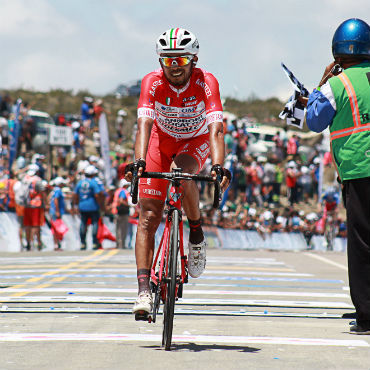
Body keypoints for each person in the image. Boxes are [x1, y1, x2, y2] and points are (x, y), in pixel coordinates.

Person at [125, 28, 230, 317]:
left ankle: (195, 232)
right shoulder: (152, 82)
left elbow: (216, 128)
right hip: (160, 139)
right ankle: (144, 290)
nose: (174, 68)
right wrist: (139, 161)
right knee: (148, 216)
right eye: (168, 61)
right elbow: (144, 124)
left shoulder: (206, 82)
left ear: (193, 60)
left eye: (180, 61)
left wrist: (219, 165)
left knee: (181, 173)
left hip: (194, 141)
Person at [302, 18, 370, 334]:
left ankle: (367, 315)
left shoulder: (336, 84)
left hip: (359, 169)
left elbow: (314, 120)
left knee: (361, 243)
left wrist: (321, 83)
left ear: (337, 53)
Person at [73, 165, 104, 250]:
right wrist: (100, 205)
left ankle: (83, 243)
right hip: (93, 206)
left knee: (83, 223)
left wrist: (75, 205)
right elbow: (97, 195)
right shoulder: (93, 182)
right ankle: (94, 242)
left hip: (82, 206)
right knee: (94, 223)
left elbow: (75, 195)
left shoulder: (80, 182)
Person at [112, 179, 131, 249]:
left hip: (116, 212)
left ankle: (118, 244)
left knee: (118, 229)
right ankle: (121, 245)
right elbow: (121, 200)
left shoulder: (117, 191)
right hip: (122, 212)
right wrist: (129, 205)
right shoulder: (123, 191)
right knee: (123, 229)